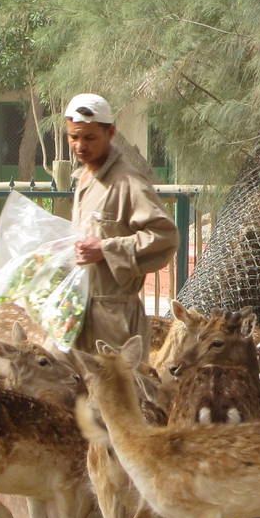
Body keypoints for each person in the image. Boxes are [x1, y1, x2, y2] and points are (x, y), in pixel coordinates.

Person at [65, 93, 178, 352]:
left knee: (119, 390)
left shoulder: (128, 182)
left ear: (110, 133)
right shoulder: (84, 179)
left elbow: (165, 236)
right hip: (76, 312)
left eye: (89, 137)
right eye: (74, 137)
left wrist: (106, 248)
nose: (80, 145)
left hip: (113, 320)